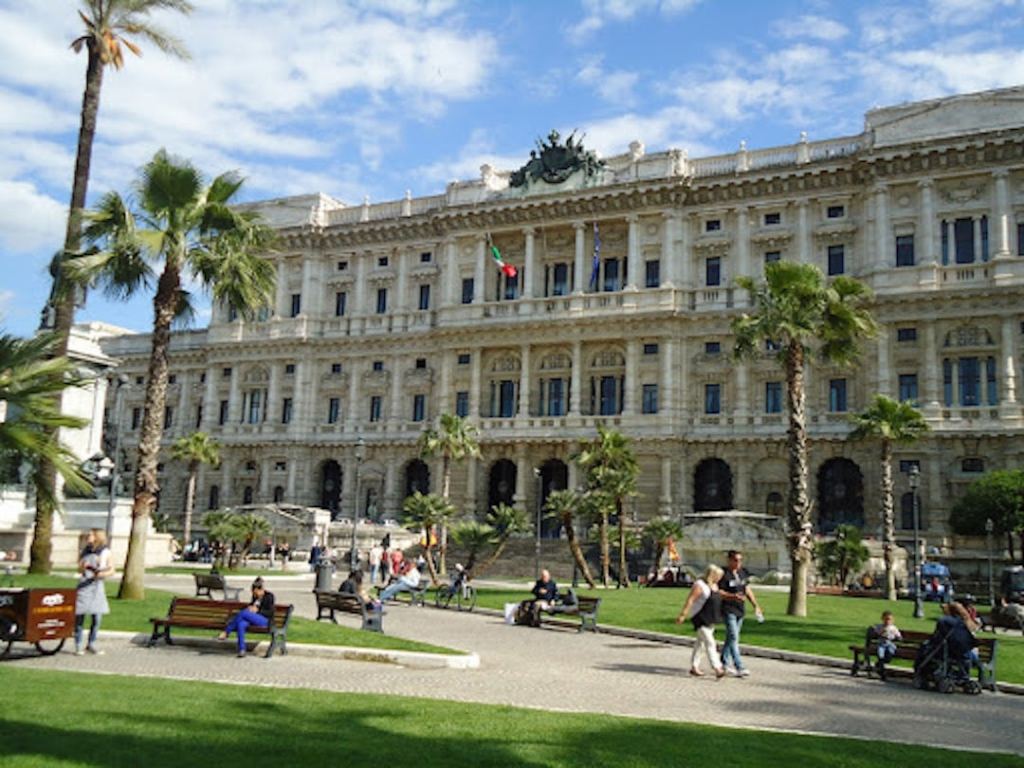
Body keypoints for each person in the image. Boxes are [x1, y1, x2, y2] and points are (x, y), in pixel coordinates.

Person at [676, 564, 726, 678]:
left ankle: (694, 666)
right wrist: (683, 615)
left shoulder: (715, 585)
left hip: (711, 617)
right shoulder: (700, 585)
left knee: (701, 643)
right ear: (712, 575)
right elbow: (690, 600)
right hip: (700, 617)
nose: (719, 578)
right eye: (718, 576)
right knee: (710, 642)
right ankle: (717, 667)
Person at [719, 549, 763, 678]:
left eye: (740, 560)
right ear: (730, 560)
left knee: (730, 638)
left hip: (740, 610)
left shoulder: (743, 573)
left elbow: (747, 589)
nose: (739, 563)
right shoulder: (723, 574)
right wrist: (732, 596)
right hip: (728, 609)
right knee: (734, 637)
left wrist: (756, 605)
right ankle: (740, 666)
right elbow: (719, 591)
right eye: (736, 560)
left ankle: (724, 663)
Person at [75, 529, 114, 656]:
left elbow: (112, 569)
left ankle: (91, 643)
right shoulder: (85, 551)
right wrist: (83, 567)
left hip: (97, 585)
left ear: (98, 537)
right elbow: (79, 569)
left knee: (97, 617)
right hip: (84, 585)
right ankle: (78, 644)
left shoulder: (106, 552)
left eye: (91, 535)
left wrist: (102, 573)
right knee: (79, 616)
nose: (88, 537)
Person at [218, 577, 275, 657]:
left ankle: (227, 631)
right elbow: (251, 606)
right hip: (252, 619)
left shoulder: (269, 596)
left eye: (256, 593)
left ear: (261, 589)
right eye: (253, 593)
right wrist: (250, 608)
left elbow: (270, 612)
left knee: (244, 613)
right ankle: (242, 650)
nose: (255, 595)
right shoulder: (255, 597)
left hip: (264, 620)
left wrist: (257, 611)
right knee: (241, 624)